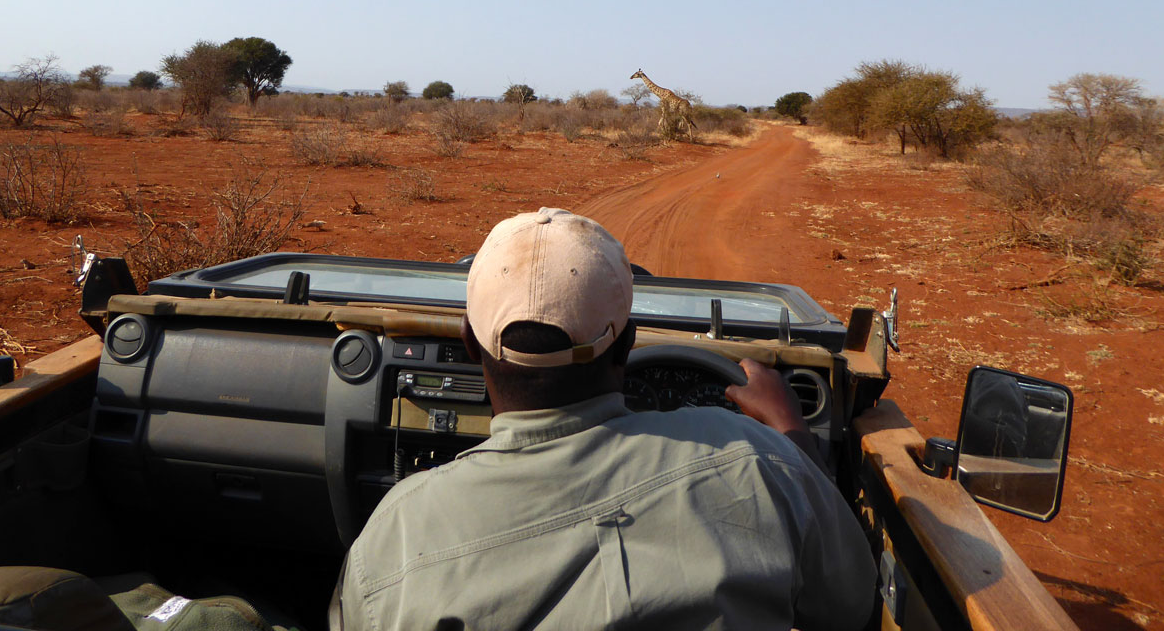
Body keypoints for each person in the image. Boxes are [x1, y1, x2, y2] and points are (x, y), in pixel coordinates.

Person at [332, 208, 875, 631]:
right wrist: (792, 435)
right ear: (628, 343)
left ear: (471, 344)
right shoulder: (756, 458)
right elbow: (850, 605)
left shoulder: (397, 534)